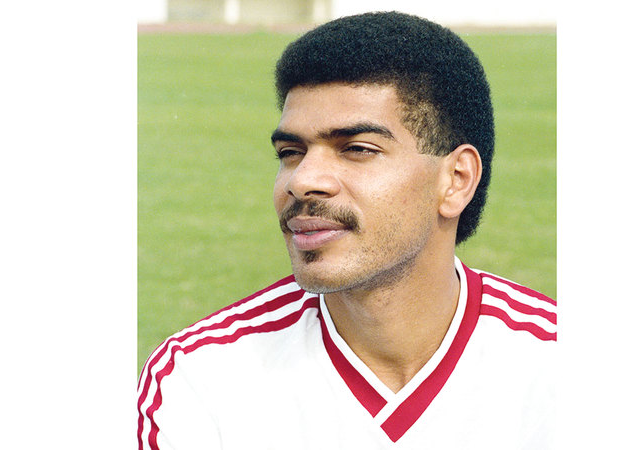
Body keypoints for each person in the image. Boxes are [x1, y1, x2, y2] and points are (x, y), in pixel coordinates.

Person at [137, 11, 556, 449]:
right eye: (291, 152)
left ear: (456, 180)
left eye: (357, 148)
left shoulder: (555, 367)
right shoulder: (199, 380)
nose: (302, 180)